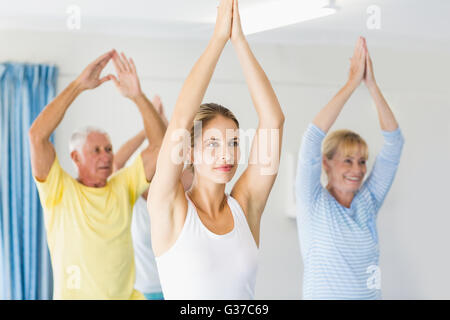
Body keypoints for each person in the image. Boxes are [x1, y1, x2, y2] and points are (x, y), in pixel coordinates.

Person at [147, 0, 284, 300]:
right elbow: (182, 119)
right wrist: (218, 39)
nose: (228, 154)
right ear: (189, 151)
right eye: (213, 143)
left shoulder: (245, 206)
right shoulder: (169, 206)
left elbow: (273, 119)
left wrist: (240, 41)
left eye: (234, 143)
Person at [28, 50, 166, 299]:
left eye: (109, 149)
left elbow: (160, 148)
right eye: (96, 150)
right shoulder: (59, 191)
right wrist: (79, 85)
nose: (106, 156)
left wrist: (137, 96)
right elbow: (37, 136)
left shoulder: (123, 186)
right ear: (75, 157)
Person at [295, 37, 405, 300]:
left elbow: (394, 143)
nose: (357, 169)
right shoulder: (312, 201)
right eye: (347, 160)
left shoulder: (368, 201)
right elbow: (311, 139)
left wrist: (371, 86)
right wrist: (351, 84)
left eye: (362, 161)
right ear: (326, 163)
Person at [113, 96, 193, 300]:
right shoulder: (131, 195)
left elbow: (178, 154)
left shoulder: (174, 192)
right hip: (141, 291)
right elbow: (116, 164)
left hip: (174, 288)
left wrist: (163, 120)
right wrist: (145, 130)